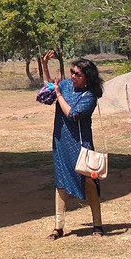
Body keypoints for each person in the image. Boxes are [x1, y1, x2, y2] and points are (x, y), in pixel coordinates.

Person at [38, 50, 104, 239]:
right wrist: (44, 67)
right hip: (61, 142)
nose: (73, 76)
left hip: (81, 145)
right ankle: (58, 227)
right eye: (72, 72)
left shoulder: (89, 97)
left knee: (90, 183)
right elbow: (50, 87)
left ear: (87, 79)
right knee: (60, 183)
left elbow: (72, 114)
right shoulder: (66, 86)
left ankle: (97, 225)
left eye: (77, 74)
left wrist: (58, 94)